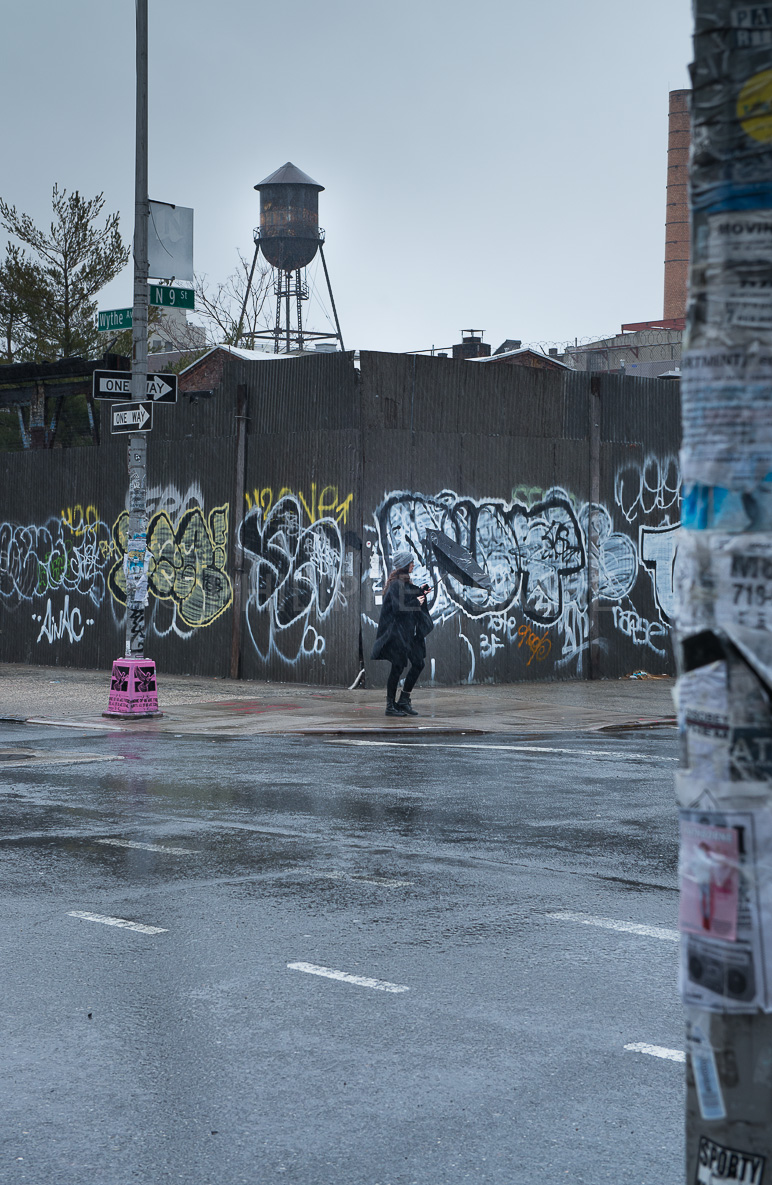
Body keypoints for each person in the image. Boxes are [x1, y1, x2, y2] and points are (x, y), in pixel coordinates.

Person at [371, 549, 434, 717]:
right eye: (411, 562)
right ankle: (390, 706)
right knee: (397, 668)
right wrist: (417, 601)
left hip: (408, 634)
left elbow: (408, 595)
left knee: (418, 663)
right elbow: (399, 608)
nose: (413, 564)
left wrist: (421, 591)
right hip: (397, 635)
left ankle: (404, 700)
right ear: (405, 565)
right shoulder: (395, 585)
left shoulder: (403, 582)